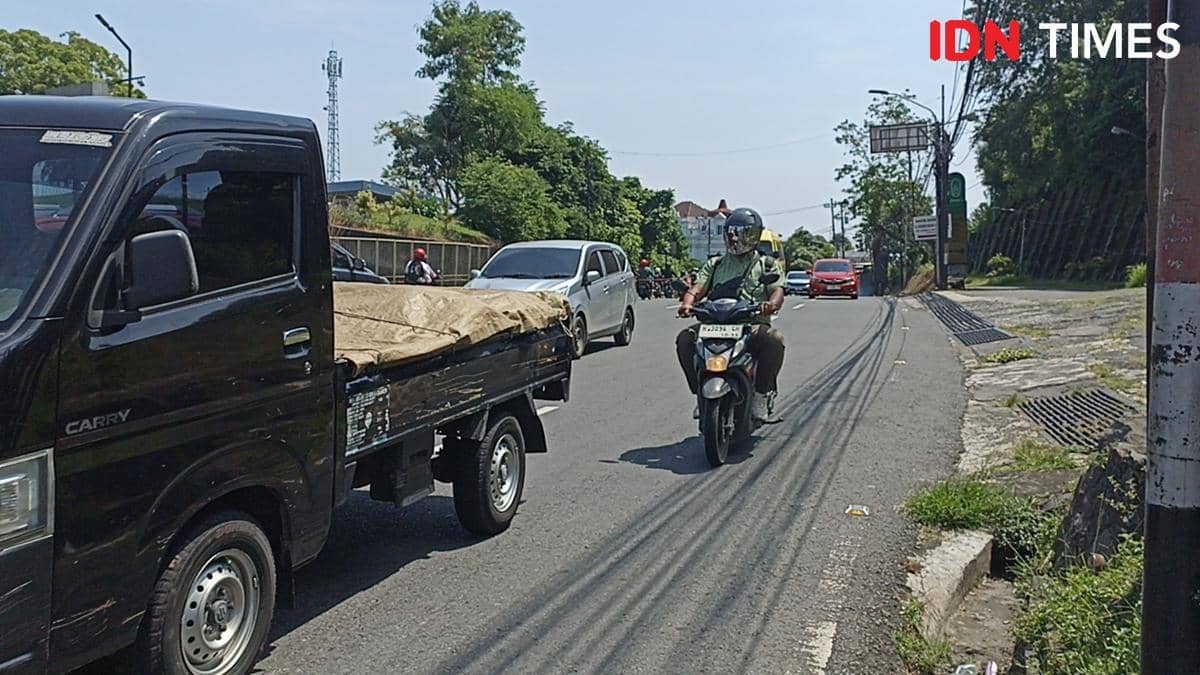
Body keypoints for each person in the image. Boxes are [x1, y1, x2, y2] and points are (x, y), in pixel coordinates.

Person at [676, 207, 786, 422]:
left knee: (775, 340)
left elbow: (777, 292)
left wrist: (770, 305)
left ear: (754, 236)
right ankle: (699, 394)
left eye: (744, 233)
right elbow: (697, 288)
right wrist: (687, 304)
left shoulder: (766, 265)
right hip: (715, 323)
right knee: (685, 339)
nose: (736, 238)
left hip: (750, 324)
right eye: (732, 233)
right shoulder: (715, 264)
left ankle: (760, 396)